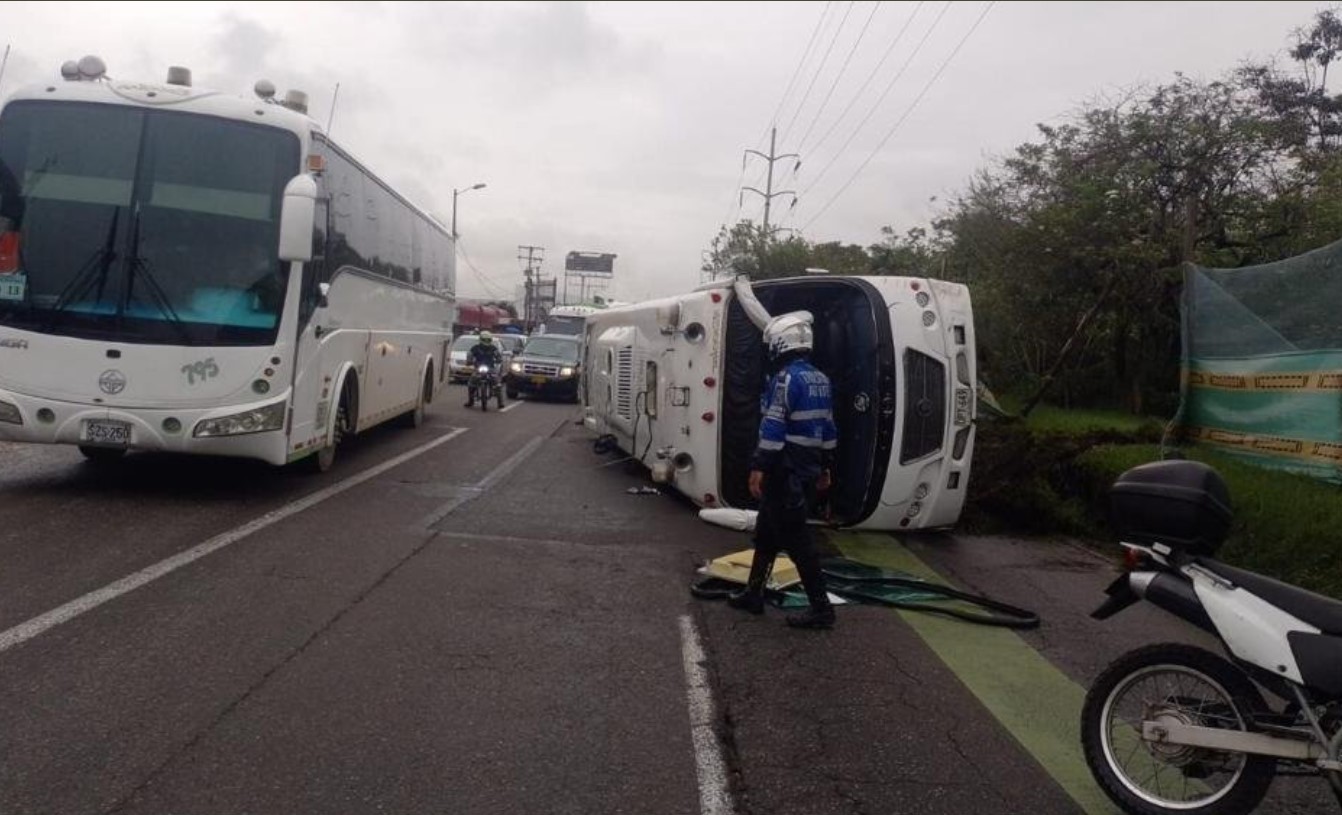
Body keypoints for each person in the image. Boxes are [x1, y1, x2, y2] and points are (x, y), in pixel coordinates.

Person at [728, 311, 839, 629]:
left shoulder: (785, 379)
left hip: (784, 472)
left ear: (780, 342)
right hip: (805, 470)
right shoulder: (820, 379)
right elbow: (828, 427)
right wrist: (826, 467)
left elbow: (774, 427)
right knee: (765, 534)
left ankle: (822, 609)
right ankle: (754, 594)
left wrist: (758, 467)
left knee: (799, 542)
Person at [464, 331, 503, 407]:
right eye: (484, 340)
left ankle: (500, 402)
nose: (486, 342)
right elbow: (470, 355)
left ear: (490, 340)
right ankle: (470, 401)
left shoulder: (493, 348)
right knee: (471, 382)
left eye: (488, 340)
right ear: (481, 339)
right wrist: (469, 361)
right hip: (478, 368)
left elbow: (498, 355)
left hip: (490, 368)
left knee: (497, 383)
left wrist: (499, 359)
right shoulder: (475, 348)